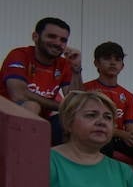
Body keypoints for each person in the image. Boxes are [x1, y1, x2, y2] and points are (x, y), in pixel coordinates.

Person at [5, 16, 81, 144]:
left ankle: (62, 162)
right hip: (7, 118)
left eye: (63, 40)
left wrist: (76, 69)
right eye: (51, 36)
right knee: (32, 105)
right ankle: (24, 158)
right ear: (35, 36)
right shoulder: (19, 55)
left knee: (74, 119)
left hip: (41, 122)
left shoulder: (64, 64)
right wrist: (62, 106)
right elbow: (18, 95)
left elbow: (76, 101)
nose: (58, 43)